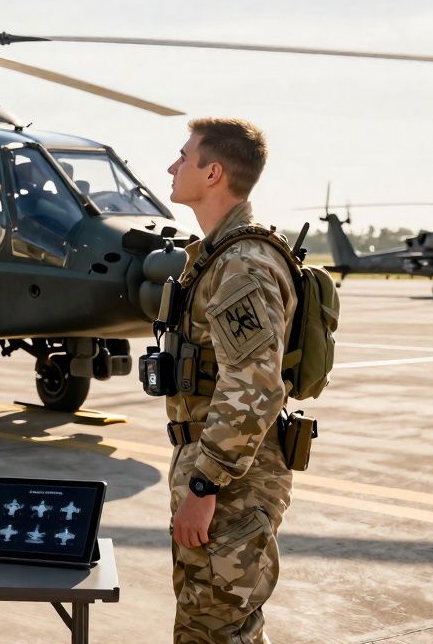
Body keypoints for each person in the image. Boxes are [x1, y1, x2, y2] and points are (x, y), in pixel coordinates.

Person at [164, 118, 297, 643]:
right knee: (225, 630)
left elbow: (256, 384)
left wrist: (204, 484)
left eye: (183, 156)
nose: (172, 167)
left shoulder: (242, 264)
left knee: (211, 633)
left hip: (230, 484)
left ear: (213, 172)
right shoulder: (222, 255)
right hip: (220, 472)